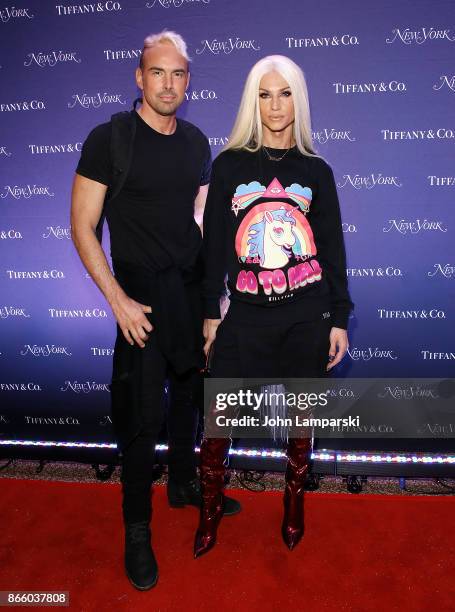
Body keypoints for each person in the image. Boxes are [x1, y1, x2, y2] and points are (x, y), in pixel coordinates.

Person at [70, 30, 240, 591]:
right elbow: (82, 225)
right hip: (139, 297)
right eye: (158, 73)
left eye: (179, 74)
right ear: (140, 78)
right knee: (142, 419)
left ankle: (185, 485)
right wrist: (117, 299)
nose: (169, 84)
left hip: (190, 291)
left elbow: (199, 217)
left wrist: (213, 302)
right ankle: (137, 531)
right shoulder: (110, 138)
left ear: (188, 81)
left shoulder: (196, 142)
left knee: (192, 392)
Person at [194, 55, 354, 558]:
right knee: (218, 423)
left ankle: (293, 502)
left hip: (307, 316)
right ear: (252, 101)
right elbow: (214, 249)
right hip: (244, 317)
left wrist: (339, 318)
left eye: (284, 93)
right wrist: (210, 313)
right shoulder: (229, 165)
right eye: (264, 95)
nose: (275, 105)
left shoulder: (317, 171)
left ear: (298, 99)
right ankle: (210, 508)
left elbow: (331, 249)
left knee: (301, 425)